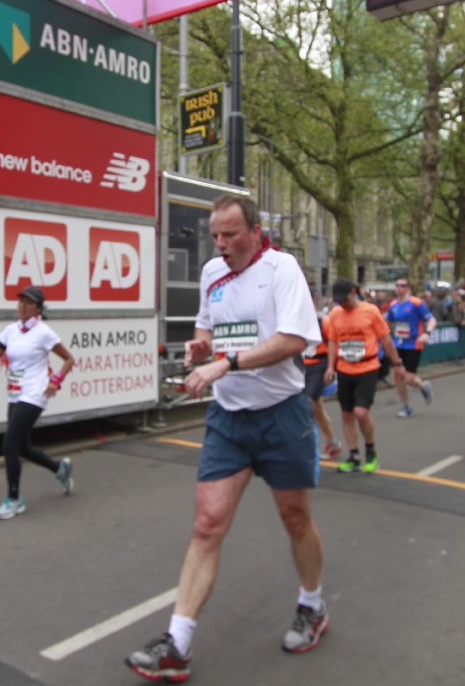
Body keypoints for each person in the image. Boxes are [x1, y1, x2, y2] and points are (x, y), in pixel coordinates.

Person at [126, 195, 326, 681]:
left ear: (255, 232)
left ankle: (313, 604)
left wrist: (226, 363)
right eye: (215, 235)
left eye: (230, 234)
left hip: (281, 414)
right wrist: (203, 345)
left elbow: (294, 340)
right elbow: (208, 327)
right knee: (207, 524)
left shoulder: (282, 269)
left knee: (295, 517)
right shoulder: (212, 272)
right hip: (230, 419)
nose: (220, 244)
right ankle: (178, 643)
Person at [0, 285, 75, 520]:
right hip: (15, 389)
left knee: (9, 445)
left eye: (28, 303)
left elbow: (68, 359)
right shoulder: (10, 330)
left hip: (34, 393)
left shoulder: (43, 332)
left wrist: (55, 381)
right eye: (20, 301)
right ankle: (59, 468)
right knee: (23, 447)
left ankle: (14, 500)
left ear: (38, 308)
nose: (22, 306)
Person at [325, 278, 404, 474]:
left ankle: (370, 450)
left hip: (367, 367)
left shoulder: (370, 311)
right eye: (339, 300)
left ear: (354, 293)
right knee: (346, 414)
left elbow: (385, 338)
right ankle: (353, 456)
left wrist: (397, 363)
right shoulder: (335, 314)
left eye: (345, 299)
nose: (342, 304)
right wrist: (330, 367)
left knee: (361, 412)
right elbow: (333, 342)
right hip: (344, 368)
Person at [385, 277, 436, 418]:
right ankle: (406, 406)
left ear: (408, 288)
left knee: (408, 378)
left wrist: (427, 333)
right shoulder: (393, 305)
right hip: (398, 344)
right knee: (397, 375)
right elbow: (388, 322)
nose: (399, 288)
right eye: (397, 285)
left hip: (413, 343)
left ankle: (423, 386)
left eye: (402, 285)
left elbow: (431, 319)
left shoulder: (416, 303)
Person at [301, 299, 342, 459]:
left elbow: (333, 342)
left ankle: (313, 446)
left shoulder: (323, 320)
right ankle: (332, 442)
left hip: (319, 364)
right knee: (315, 406)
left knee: (311, 402)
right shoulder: (292, 320)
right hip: (300, 365)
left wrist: (331, 367)